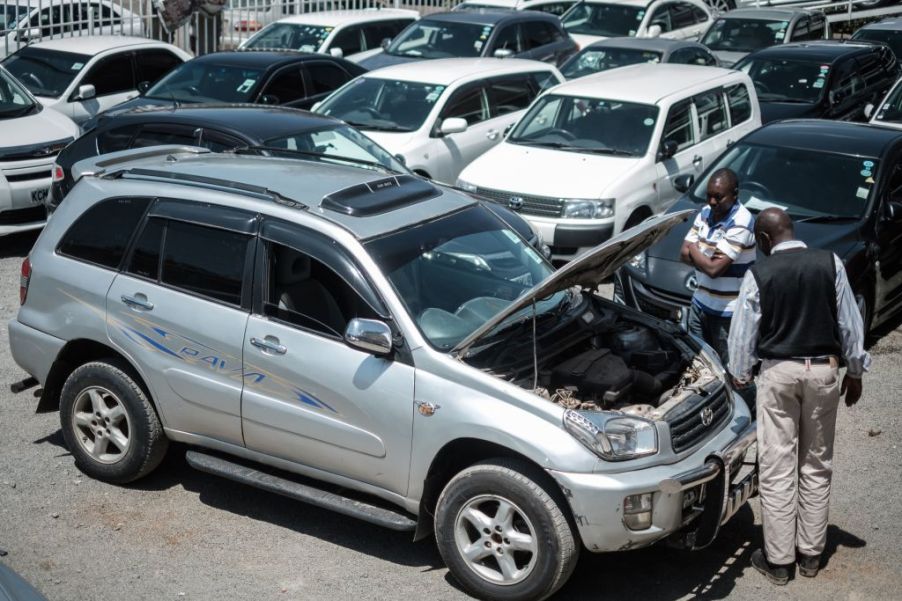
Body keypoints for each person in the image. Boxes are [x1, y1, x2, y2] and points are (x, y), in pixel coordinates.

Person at [728, 208, 870, 586]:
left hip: (778, 374)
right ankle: (810, 554)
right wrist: (854, 373)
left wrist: (740, 375)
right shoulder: (830, 262)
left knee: (776, 469)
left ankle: (779, 561)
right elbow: (849, 323)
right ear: (793, 231)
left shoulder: (758, 274)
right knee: (816, 464)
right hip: (823, 371)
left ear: (762, 239)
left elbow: (742, 334)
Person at [680, 168, 756, 367]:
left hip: (727, 314)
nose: (712, 202)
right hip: (699, 305)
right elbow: (682, 253)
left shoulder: (741, 221)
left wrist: (695, 249)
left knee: (732, 372)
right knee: (701, 366)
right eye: (709, 196)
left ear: (735, 195)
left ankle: (746, 400)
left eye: (718, 197)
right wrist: (704, 258)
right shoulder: (705, 213)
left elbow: (714, 270)